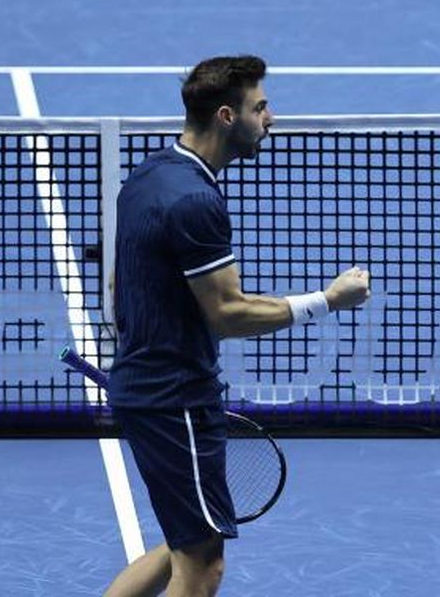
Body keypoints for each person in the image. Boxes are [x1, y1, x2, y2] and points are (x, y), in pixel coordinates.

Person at [102, 55, 371, 597]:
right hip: (175, 396)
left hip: (147, 383)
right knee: (203, 566)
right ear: (228, 116)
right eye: (261, 107)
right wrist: (327, 300)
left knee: (183, 545)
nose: (270, 118)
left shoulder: (150, 176)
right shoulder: (196, 201)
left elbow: (117, 288)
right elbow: (227, 314)